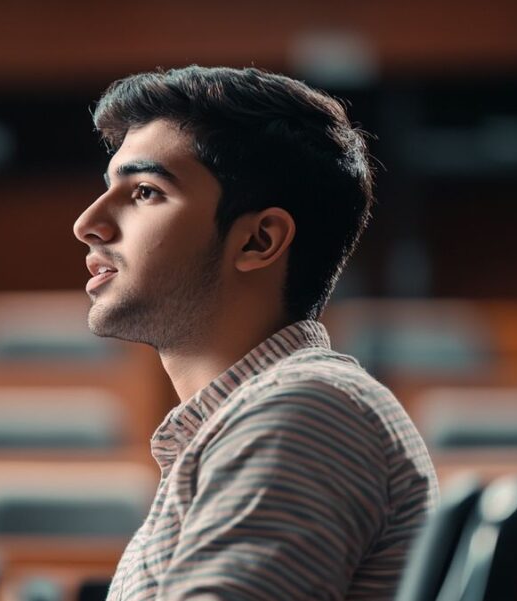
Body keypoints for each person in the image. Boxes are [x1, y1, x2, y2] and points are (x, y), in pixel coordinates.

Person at [72, 66, 439, 600]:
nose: (88, 222)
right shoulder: (258, 415)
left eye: (146, 191)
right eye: (109, 187)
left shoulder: (304, 411)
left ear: (259, 241)